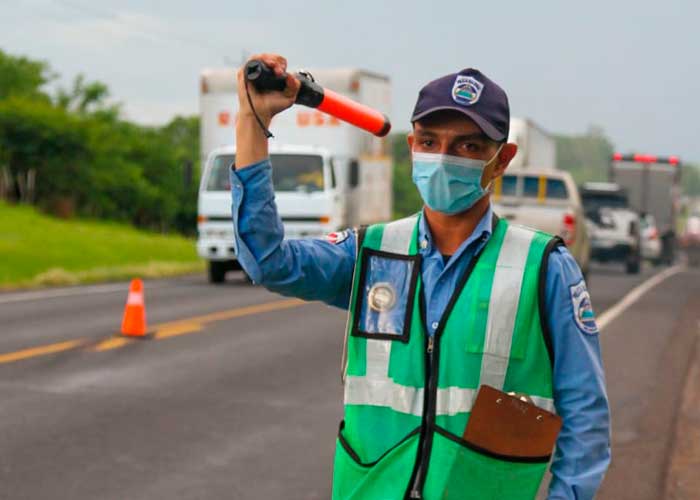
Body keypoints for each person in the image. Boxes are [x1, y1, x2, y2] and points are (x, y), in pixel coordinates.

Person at [230, 53, 611, 500]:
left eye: (468, 147)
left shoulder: (543, 267)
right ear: (412, 146)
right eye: (430, 142)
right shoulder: (370, 252)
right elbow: (268, 260)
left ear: (502, 159)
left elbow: (585, 417)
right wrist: (251, 121)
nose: (444, 158)